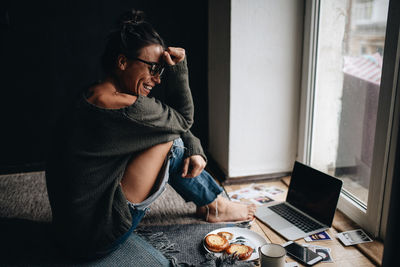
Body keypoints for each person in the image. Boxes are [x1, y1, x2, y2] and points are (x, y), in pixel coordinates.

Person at [45, 9, 256, 260]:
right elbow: (181, 120)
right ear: (123, 62)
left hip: (70, 232)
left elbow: (165, 121)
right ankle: (215, 205)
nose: (157, 79)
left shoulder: (95, 94)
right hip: (96, 239)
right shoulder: (125, 107)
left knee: (167, 133)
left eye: (162, 70)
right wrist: (180, 67)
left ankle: (213, 202)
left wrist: (195, 148)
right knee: (172, 143)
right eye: (153, 68)